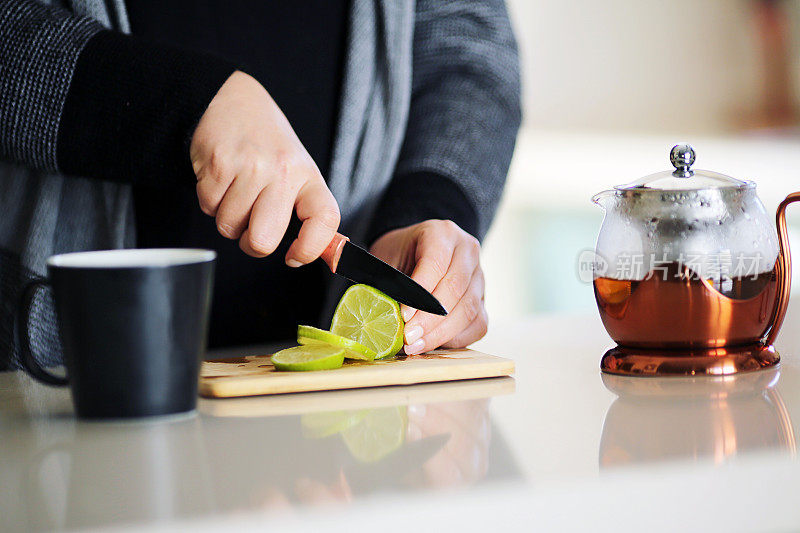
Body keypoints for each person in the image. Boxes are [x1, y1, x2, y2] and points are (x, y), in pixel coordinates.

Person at [0, 0, 521, 369]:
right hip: (54, 390)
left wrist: (420, 208)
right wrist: (182, 103)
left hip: (325, 434)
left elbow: (466, 56)